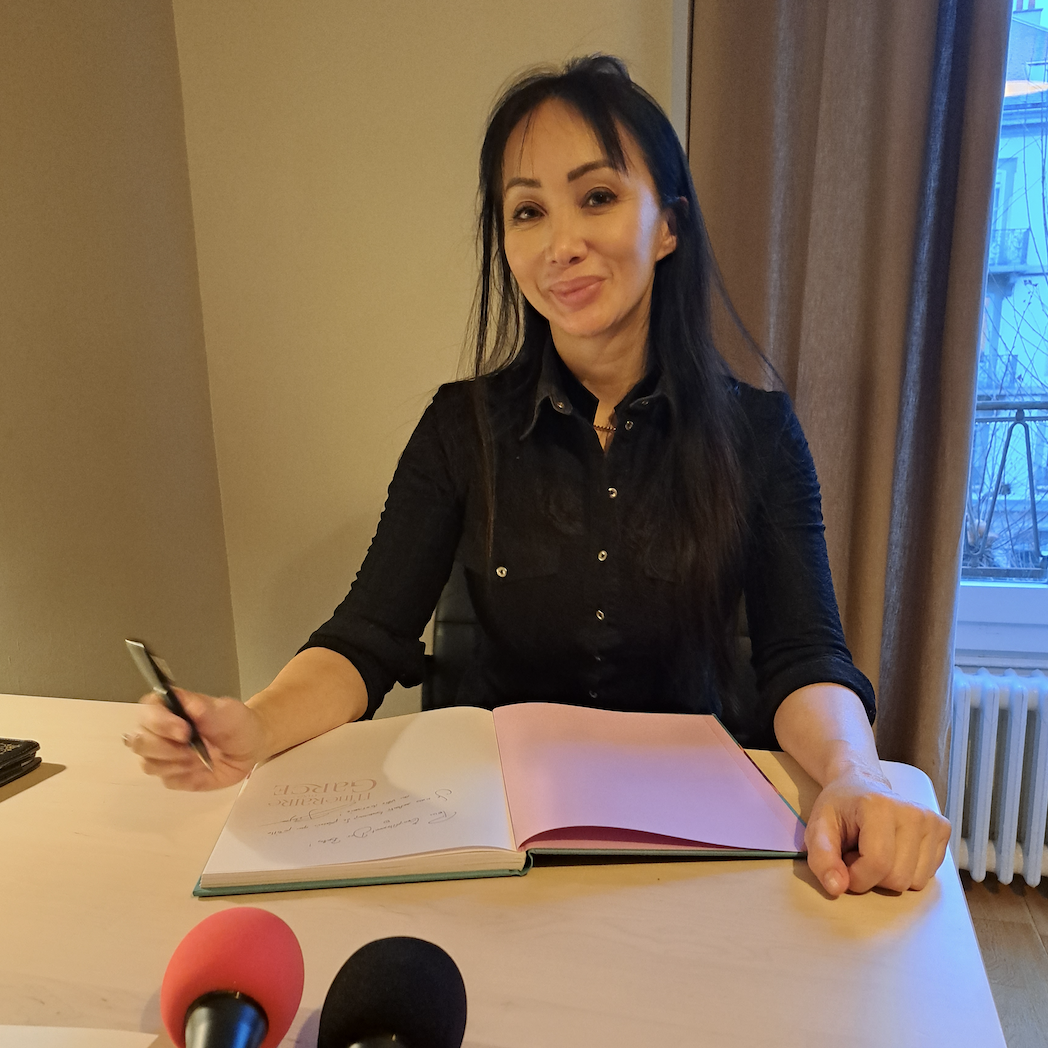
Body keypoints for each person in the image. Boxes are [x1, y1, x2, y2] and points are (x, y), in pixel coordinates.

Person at [127, 55, 950, 898]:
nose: (561, 245)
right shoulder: (459, 428)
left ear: (667, 225)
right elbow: (364, 638)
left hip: (694, 852)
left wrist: (854, 773)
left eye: (597, 197)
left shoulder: (761, 435)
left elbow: (805, 655)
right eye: (527, 211)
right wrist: (253, 724)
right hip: (495, 848)